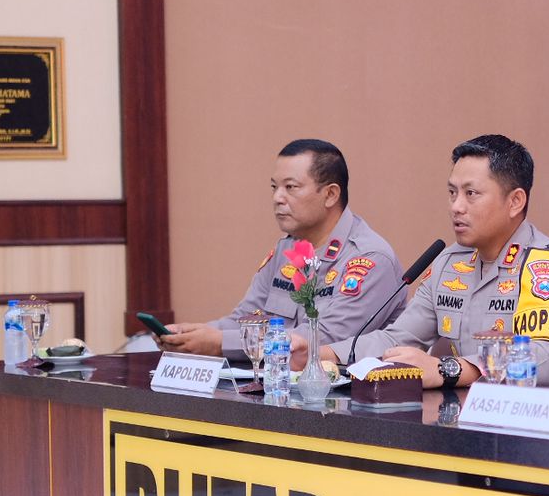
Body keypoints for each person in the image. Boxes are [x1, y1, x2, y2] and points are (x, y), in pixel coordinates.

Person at [312, 134, 549, 389]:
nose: (456, 207)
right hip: (477, 417)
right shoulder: (449, 263)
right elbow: (397, 339)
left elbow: (541, 361)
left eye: (471, 194)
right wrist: (317, 354)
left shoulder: (546, 266)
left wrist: (446, 370)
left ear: (515, 202)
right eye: (452, 193)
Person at [159, 139, 403, 359]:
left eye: (291, 187)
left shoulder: (369, 258)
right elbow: (247, 317)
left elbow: (324, 337)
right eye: (274, 187)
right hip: (281, 384)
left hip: (344, 391)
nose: (277, 198)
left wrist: (219, 343)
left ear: (330, 195)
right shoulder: (287, 248)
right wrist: (192, 335)